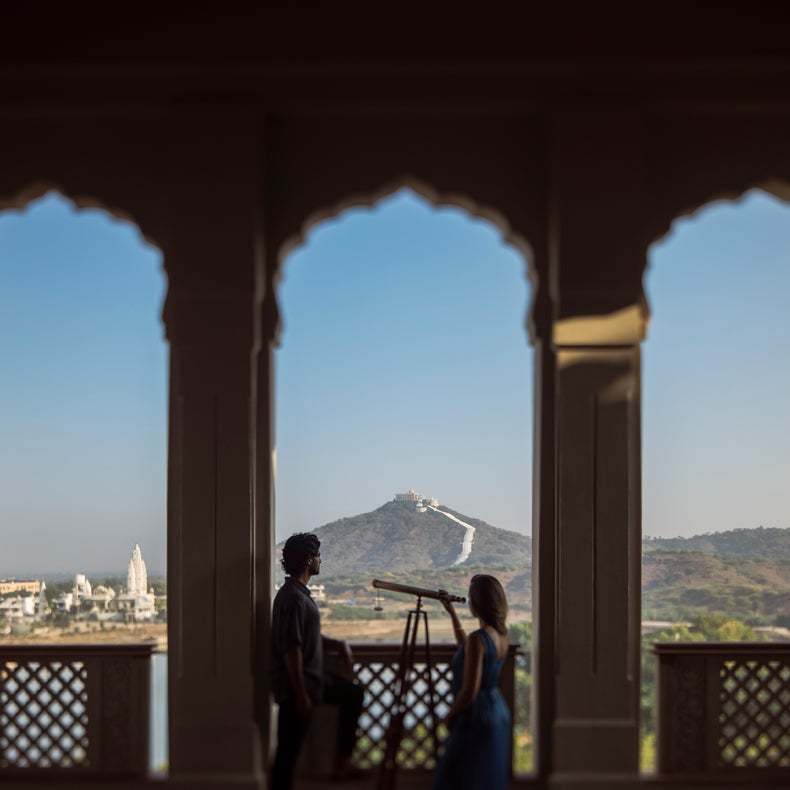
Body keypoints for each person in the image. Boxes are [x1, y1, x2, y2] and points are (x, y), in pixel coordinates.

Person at [270, 532, 364, 789]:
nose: (321, 560)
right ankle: (341, 763)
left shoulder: (297, 593)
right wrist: (300, 694)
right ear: (309, 559)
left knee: (353, 694)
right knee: (286, 756)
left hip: (312, 683)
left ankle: (343, 762)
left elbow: (307, 636)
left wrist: (337, 644)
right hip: (298, 689)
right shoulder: (293, 598)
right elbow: (291, 649)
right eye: (318, 556)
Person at [433, 574, 511, 790]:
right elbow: (468, 650)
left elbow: (469, 690)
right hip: (497, 712)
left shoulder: (478, 639)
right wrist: (452, 613)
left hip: (475, 717)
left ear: (477, 602)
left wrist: (450, 715)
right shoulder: (501, 635)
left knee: (458, 779)